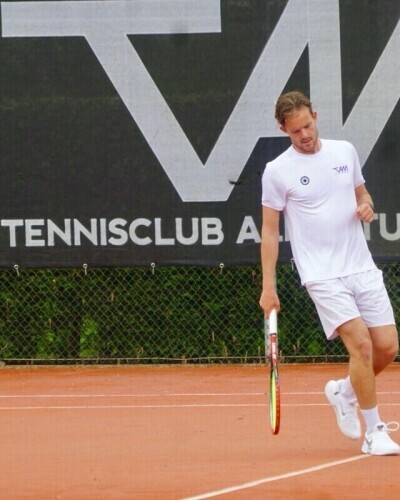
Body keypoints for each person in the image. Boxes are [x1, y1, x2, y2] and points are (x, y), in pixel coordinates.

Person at [259, 90, 399, 455]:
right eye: (295, 131)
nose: (304, 135)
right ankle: (374, 433)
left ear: (315, 117)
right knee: (362, 345)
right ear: (283, 130)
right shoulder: (277, 171)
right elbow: (270, 232)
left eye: (307, 126)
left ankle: (343, 392)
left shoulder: (344, 152)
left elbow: (363, 194)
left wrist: (366, 205)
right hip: (321, 274)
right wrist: (268, 287)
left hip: (360, 266)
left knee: (387, 347)